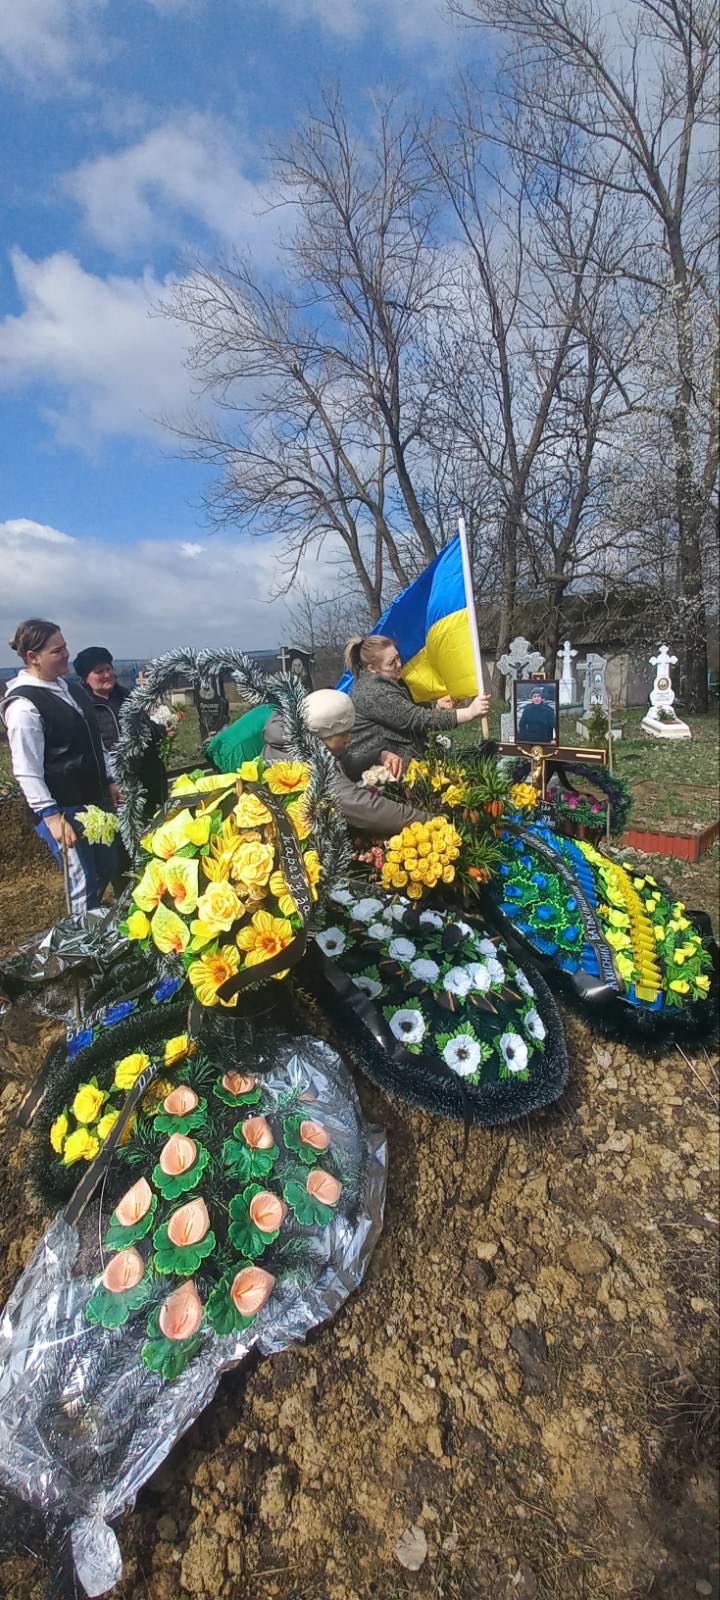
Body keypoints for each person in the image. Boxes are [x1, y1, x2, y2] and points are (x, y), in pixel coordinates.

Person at [2, 620, 120, 913]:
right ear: (33, 657)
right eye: (57, 650)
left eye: (65, 646)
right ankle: (81, 935)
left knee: (107, 866)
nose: (66, 654)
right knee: (82, 880)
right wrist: (52, 816)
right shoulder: (25, 706)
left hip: (92, 800)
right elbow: (27, 769)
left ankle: (94, 923)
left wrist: (109, 779)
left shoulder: (71, 689)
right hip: (63, 806)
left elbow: (94, 741)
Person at [263, 689, 429, 835]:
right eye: (343, 734)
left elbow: (344, 764)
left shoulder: (305, 740)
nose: (350, 739)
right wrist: (431, 821)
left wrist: (377, 756)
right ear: (321, 735)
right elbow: (364, 807)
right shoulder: (306, 762)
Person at [343, 635, 490, 778]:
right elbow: (415, 719)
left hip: (400, 767)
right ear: (372, 668)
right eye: (391, 663)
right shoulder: (373, 691)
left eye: (398, 658)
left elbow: (403, 719)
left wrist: (437, 708)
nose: (399, 664)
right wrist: (469, 713)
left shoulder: (381, 683)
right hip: (384, 775)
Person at [73, 645, 168, 812]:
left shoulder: (128, 697)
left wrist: (161, 730)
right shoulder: (81, 707)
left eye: (108, 669)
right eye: (99, 671)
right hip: (111, 788)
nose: (107, 675)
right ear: (85, 678)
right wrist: (110, 780)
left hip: (144, 780)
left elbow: (147, 728)